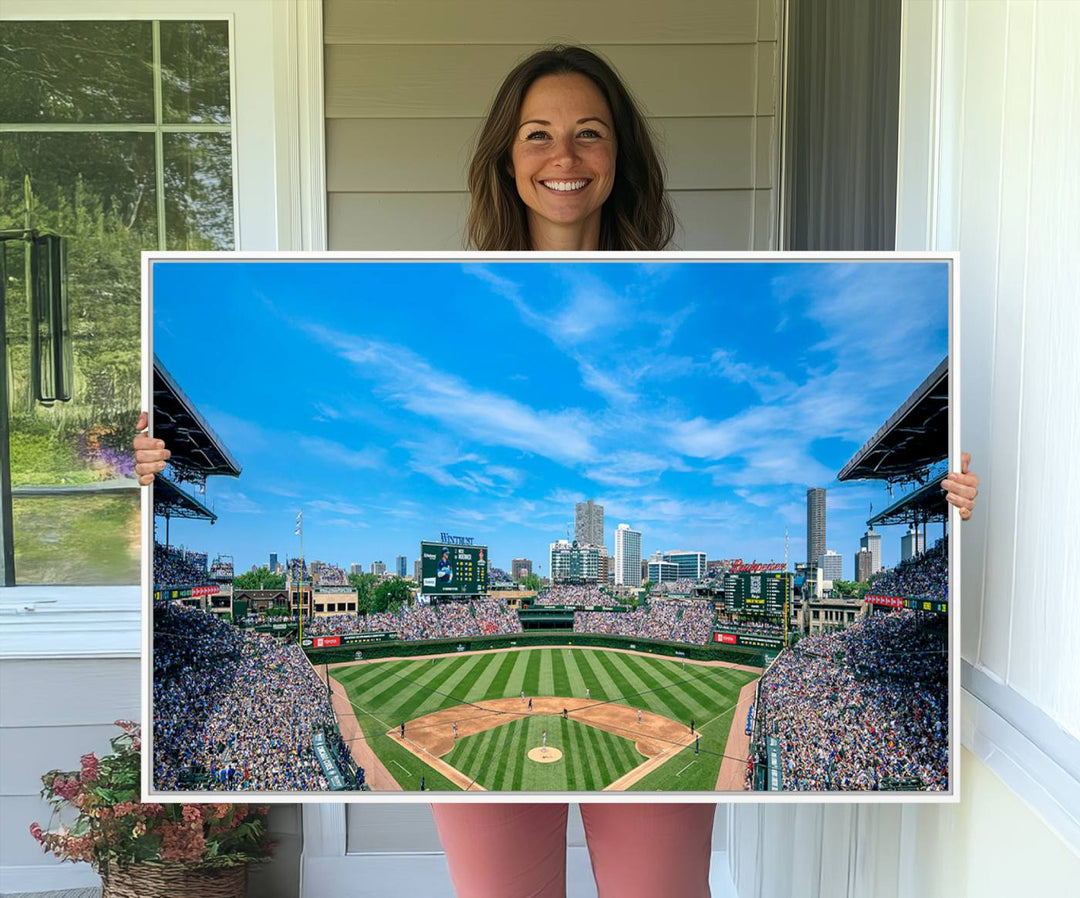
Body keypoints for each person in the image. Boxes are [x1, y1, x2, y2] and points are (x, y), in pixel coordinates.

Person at [134, 42, 980, 898]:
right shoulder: (448, 302)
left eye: (589, 133)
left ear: (621, 157)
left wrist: (945, 507)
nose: (563, 157)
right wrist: (138, 468)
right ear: (507, 158)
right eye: (537, 134)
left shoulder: (685, 297)